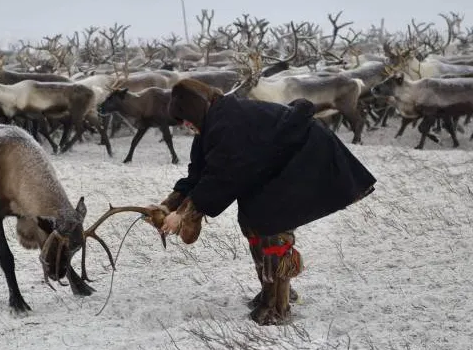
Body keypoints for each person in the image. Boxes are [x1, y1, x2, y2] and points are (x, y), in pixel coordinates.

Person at [146, 78, 377, 326]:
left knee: (271, 225)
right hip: (273, 166)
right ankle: (271, 292)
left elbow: (223, 177)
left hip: (305, 158)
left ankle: (279, 306)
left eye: (186, 120)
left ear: (193, 111)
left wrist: (183, 214)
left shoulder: (228, 124)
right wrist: (169, 204)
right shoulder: (209, 127)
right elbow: (199, 173)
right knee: (252, 221)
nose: (186, 126)